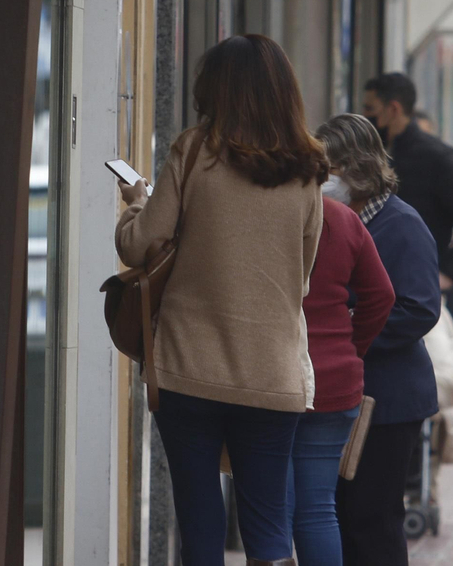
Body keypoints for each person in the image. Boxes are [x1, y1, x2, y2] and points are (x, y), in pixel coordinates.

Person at [115, 34, 326, 566]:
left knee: (199, 516)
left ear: (216, 90)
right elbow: (302, 279)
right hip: (272, 374)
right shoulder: (307, 170)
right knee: (269, 523)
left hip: (189, 366)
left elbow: (140, 243)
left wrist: (134, 204)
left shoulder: (194, 151)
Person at [316, 114, 441, 566]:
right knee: (342, 516)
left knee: (373, 519)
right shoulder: (333, 220)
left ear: (355, 168)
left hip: (389, 403)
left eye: (327, 170)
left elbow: (421, 308)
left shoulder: (401, 224)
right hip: (343, 394)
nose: (321, 182)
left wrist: (345, 328)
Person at [287, 196, 395, 566]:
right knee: (318, 509)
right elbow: (382, 295)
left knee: (273, 511)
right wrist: (352, 345)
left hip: (277, 377)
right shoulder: (342, 217)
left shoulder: (266, 212)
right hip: (336, 380)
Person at [362, 72, 453, 315]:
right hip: (375, 289)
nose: (365, 116)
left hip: (418, 297)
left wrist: (447, 275)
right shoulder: (371, 154)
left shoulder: (435, 156)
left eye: (370, 108)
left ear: (393, 109)